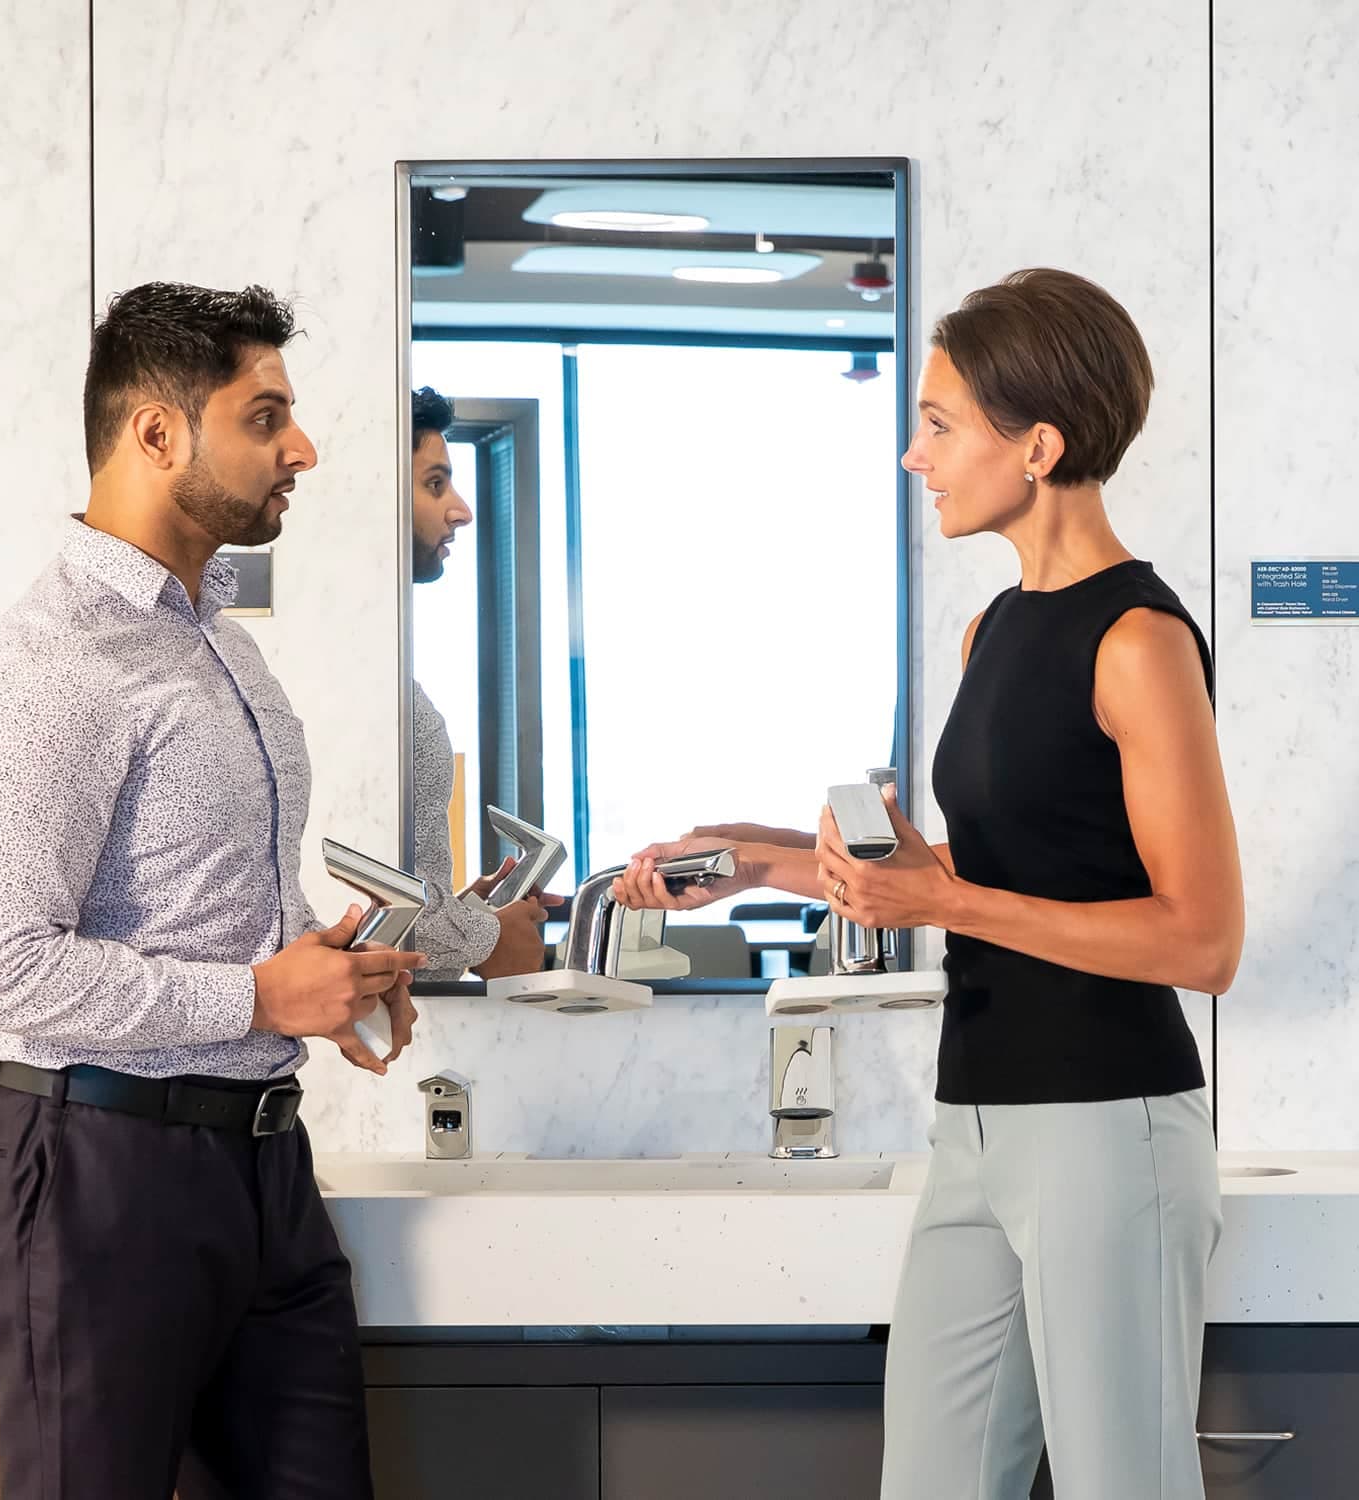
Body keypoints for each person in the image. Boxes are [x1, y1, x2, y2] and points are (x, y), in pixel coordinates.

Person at [615, 269, 1245, 1499]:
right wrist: (755, 861)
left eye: (941, 425)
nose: (917, 455)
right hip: (979, 1123)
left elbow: (1202, 939)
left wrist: (943, 904)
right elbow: (994, 865)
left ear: (1038, 447)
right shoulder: (994, 630)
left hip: (1109, 1126)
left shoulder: (1141, 641)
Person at [0, 281, 420, 1500]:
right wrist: (259, 997)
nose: (302, 449)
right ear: (157, 433)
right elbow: (1, 969)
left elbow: (213, 902)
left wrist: (329, 977)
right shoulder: (52, 666)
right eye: (265, 418)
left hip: (266, 1170)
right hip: (100, 1176)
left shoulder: (218, 641)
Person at [404, 385, 549, 981]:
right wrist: (484, 939)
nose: (461, 510)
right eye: (435, 484)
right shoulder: (353, 684)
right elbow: (340, 896)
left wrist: (463, 914)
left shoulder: (388, 672)